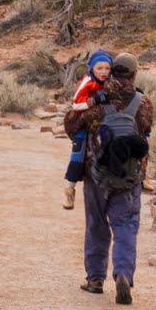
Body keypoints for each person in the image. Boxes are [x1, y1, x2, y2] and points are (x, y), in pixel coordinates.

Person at [65, 52, 154, 306]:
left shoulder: (97, 98)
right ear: (134, 74)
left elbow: (71, 124)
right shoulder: (142, 100)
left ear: (112, 72)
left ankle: (94, 280)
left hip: (97, 172)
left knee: (96, 224)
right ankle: (123, 275)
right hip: (130, 174)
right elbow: (146, 130)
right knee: (125, 225)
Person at [63, 49, 113, 210]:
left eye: (107, 68)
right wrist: (95, 99)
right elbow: (76, 105)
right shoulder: (87, 82)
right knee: (78, 153)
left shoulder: (110, 81)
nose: (104, 72)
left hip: (102, 121)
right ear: (92, 68)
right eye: (100, 68)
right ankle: (69, 190)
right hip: (82, 122)